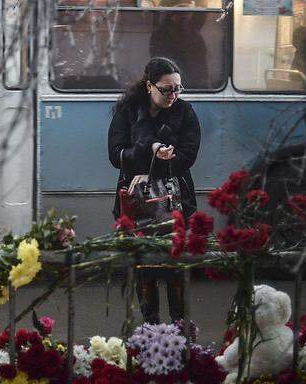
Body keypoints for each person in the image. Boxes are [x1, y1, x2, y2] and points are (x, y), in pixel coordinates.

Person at [108, 57, 201, 323]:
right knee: (143, 272)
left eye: (178, 88)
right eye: (167, 89)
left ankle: (181, 336)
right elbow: (115, 154)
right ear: (149, 86)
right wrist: (149, 151)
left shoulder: (185, 111)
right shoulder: (128, 111)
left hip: (176, 203)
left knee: (176, 273)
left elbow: (187, 156)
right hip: (136, 206)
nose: (174, 95)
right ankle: (152, 334)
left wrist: (148, 171)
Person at [149, 0, 209, 89]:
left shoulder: (193, 33)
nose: (188, 16)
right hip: (173, 85)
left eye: (188, 13)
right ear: (173, 14)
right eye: (184, 13)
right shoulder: (162, 34)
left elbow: (199, 63)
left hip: (195, 83)